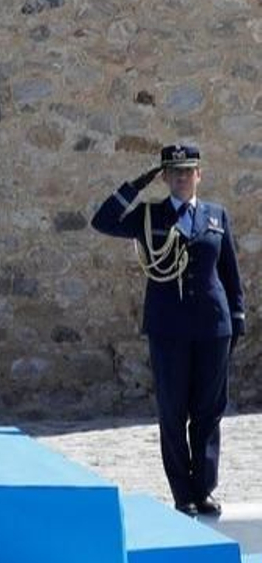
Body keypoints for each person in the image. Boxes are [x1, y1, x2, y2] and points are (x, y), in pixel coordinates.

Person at [90, 144, 245, 517]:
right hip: (168, 328)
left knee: (209, 411)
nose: (181, 177)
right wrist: (135, 186)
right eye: (173, 172)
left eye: (188, 171)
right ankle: (182, 493)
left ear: (199, 174)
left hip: (212, 326)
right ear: (163, 177)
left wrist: (236, 320)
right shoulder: (148, 215)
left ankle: (204, 488)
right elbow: (103, 220)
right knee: (173, 411)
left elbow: (230, 273)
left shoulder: (215, 216)